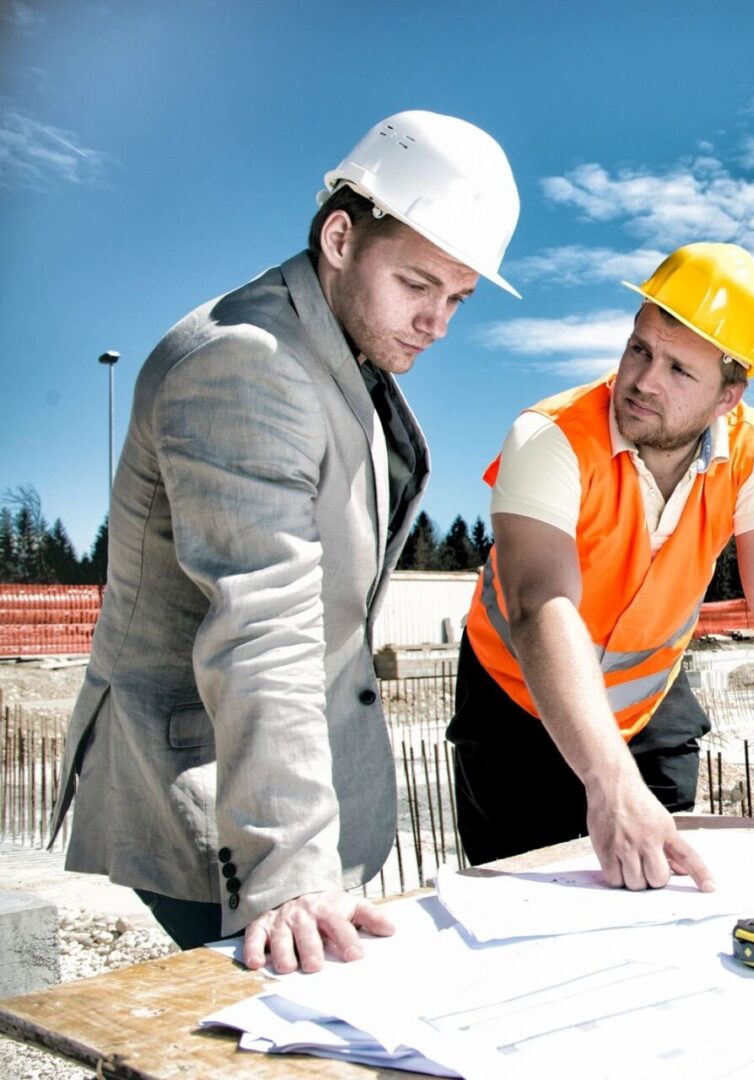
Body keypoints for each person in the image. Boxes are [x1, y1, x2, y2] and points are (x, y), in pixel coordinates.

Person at [50, 110, 522, 972]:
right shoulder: (247, 362)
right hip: (214, 798)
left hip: (286, 791)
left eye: (458, 298)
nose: (438, 323)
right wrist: (291, 873)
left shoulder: (339, 351)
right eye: (418, 285)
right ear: (340, 237)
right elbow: (262, 622)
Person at [449, 242, 754, 889]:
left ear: (728, 394)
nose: (642, 381)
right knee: (526, 899)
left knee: (658, 896)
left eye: (678, 370)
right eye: (639, 349)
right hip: (516, 705)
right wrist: (610, 785)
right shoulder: (549, 437)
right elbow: (538, 602)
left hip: (649, 710)